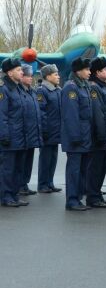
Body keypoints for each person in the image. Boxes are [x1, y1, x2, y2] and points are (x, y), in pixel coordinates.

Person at [61, 57, 93, 211]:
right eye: (86, 69)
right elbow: (71, 115)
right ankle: (72, 200)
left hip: (85, 136)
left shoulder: (84, 86)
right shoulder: (71, 88)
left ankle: (78, 198)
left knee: (82, 170)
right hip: (77, 137)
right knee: (74, 170)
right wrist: (75, 137)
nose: (89, 72)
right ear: (78, 71)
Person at [86, 57, 106, 208]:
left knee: (102, 167)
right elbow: (97, 113)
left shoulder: (103, 86)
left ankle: (97, 193)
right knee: (96, 167)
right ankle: (92, 196)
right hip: (100, 136)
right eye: (105, 69)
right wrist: (101, 134)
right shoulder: (94, 87)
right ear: (97, 72)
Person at [0, 58, 30, 207]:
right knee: (8, 168)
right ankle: (6, 196)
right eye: (19, 70)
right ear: (10, 72)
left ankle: (14, 194)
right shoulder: (3, 88)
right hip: (10, 137)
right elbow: (2, 115)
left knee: (18, 168)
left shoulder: (18, 88)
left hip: (20, 136)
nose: (22, 72)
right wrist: (4, 135)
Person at [37, 64, 63, 194]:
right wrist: (45, 130)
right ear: (48, 76)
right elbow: (42, 112)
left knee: (53, 158)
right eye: (55, 74)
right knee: (45, 159)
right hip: (48, 131)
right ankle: (42, 184)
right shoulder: (42, 91)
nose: (58, 76)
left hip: (56, 130)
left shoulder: (57, 90)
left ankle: (50, 182)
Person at [18, 64, 43, 196]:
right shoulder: (19, 91)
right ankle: (20, 185)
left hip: (32, 132)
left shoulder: (32, 92)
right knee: (21, 162)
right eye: (28, 76)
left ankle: (25, 183)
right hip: (24, 133)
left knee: (28, 161)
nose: (30, 78)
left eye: (31, 76)